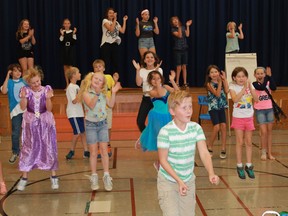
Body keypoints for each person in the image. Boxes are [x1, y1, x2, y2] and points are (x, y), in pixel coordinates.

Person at [157, 90, 219, 216]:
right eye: (184, 107)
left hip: (188, 180)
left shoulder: (196, 128)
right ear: (172, 111)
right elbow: (162, 160)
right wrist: (179, 181)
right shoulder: (165, 132)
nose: (189, 110)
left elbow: (204, 153)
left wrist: (211, 172)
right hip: (168, 181)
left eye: (190, 106)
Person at [17, 67, 59, 191]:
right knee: (28, 147)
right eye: (34, 82)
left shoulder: (46, 89)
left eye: (38, 81)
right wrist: (24, 97)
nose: (36, 84)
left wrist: (48, 98)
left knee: (49, 146)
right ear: (29, 83)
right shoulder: (26, 90)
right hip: (31, 122)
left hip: (45, 122)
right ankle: (24, 178)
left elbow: (50, 109)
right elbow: (23, 107)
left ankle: (54, 176)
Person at [77, 72, 121, 191]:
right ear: (91, 79)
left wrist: (114, 93)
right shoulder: (86, 93)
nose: (97, 80)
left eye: (100, 80)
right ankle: (94, 176)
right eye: (95, 78)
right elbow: (91, 105)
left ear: (103, 83)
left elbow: (111, 104)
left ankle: (106, 175)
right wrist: (97, 93)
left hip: (102, 124)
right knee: (93, 152)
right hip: (91, 125)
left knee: (104, 150)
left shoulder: (103, 93)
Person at [138, 70, 179, 170]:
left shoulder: (165, 87)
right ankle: (161, 162)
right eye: (153, 79)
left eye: (158, 78)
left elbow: (177, 92)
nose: (156, 80)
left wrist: (172, 81)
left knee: (168, 141)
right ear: (150, 81)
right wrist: (157, 84)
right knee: (162, 142)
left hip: (167, 116)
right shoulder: (151, 91)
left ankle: (160, 162)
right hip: (156, 118)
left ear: (161, 78)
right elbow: (160, 94)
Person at [229, 67, 258, 180]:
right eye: (239, 76)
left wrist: (250, 88)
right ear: (234, 78)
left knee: (249, 142)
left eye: (243, 76)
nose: (241, 78)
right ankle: (239, 165)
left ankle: (249, 165)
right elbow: (235, 100)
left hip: (249, 117)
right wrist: (244, 89)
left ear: (246, 77)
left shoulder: (251, 86)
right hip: (238, 117)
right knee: (239, 142)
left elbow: (256, 99)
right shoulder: (233, 86)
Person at [92, 59, 120, 159]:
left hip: (107, 106)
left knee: (108, 127)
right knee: (99, 127)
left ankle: (107, 144)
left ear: (104, 68)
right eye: (96, 67)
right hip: (97, 107)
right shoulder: (92, 78)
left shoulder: (108, 77)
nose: (98, 68)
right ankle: (100, 146)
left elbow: (113, 88)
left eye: (100, 66)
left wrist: (115, 81)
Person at [0, 64, 26, 164]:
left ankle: (27, 153)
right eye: (15, 71)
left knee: (27, 132)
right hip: (15, 111)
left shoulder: (24, 81)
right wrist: (7, 76)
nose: (18, 73)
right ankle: (15, 152)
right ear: (11, 72)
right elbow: (3, 91)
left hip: (26, 110)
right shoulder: (9, 82)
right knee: (15, 132)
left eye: (19, 70)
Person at [132, 51, 163, 133]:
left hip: (157, 99)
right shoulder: (142, 71)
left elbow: (158, 85)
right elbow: (138, 83)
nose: (150, 59)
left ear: (155, 59)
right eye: (147, 57)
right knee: (140, 121)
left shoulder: (159, 69)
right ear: (144, 60)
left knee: (157, 121)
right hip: (146, 98)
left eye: (152, 57)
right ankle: (147, 136)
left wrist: (156, 71)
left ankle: (158, 138)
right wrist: (138, 70)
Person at [204, 65, 229, 159]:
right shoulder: (209, 84)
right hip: (213, 107)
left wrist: (224, 80)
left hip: (222, 106)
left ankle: (223, 148)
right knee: (217, 126)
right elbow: (217, 94)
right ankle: (210, 145)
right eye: (212, 72)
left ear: (219, 73)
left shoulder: (221, 81)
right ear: (209, 75)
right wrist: (219, 83)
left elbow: (226, 90)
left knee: (223, 126)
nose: (214, 74)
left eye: (216, 72)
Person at [65, 67, 90, 160]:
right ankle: (71, 150)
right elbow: (74, 101)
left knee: (83, 132)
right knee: (77, 132)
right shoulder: (71, 87)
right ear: (73, 75)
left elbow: (81, 100)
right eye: (78, 73)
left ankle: (86, 151)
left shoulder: (77, 87)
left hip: (79, 113)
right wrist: (82, 90)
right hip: (73, 113)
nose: (80, 74)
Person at [253, 67, 276, 160]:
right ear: (255, 75)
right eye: (258, 74)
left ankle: (269, 153)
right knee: (264, 132)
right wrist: (267, 77)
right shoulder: (254, 84)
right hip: (260, 110)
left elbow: (274, 88)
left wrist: (270, 77)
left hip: (269, 109)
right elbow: (261, 87)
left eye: (262, 73)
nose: (260, 75)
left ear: (264, 74)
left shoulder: (268, 82)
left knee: (269, 132)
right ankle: (263, 152)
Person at [100, 7, 128, 76]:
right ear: (107, 14)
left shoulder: (116, 23)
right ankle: (107, 81)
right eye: (110, 13)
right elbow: (111, 29)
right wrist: (115, 19)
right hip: (106, 44)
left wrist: (124, 21)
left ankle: (115, 81)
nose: (112, 14)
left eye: (113, 13)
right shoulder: (105, 21)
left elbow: (123, 31)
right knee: (107, 63)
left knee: (116, 64)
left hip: (114, 44)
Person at [170, 16, 192, 88]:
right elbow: (179, 35)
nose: (175, 21)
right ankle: (177, 82)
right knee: (178, 67)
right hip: (177, 49)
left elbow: (187, 35)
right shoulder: (173, 29)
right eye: (174, 20)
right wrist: (179, 27)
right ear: (172, 22)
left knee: (184, 66)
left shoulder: (182, 27)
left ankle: (185, 82)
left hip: (184, 48)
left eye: (176, 19)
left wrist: (187, 26)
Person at [59, 18, 77, 89]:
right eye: (65, 23)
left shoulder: (72, 32)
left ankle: (73, 84)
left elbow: (74, 41)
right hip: (64, 51)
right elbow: (60, 42)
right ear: (63, 24)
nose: (66, 25)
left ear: (70, 24)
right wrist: (62, 35)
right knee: (65, 68)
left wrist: (74, 33)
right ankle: (67, 85)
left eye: (68, 23)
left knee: (71, 68)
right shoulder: (62, 32)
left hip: (70, 51)